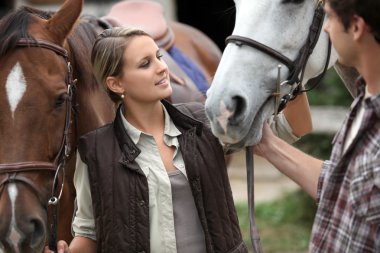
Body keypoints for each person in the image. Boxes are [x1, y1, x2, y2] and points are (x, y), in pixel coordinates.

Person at [45, 26, 312, 253]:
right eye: (145, 64)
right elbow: (89, 232)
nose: (162, 68)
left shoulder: (205, 121)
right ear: (116, 84)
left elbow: (294, 127)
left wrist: (293, 73)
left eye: (158, 57)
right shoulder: (94, 151)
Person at [254, 0, 380, 252]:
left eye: (330, 18)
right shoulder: (364, 102)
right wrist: (268, 145)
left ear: (356, 27)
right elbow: (343, 187)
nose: (325, 29)